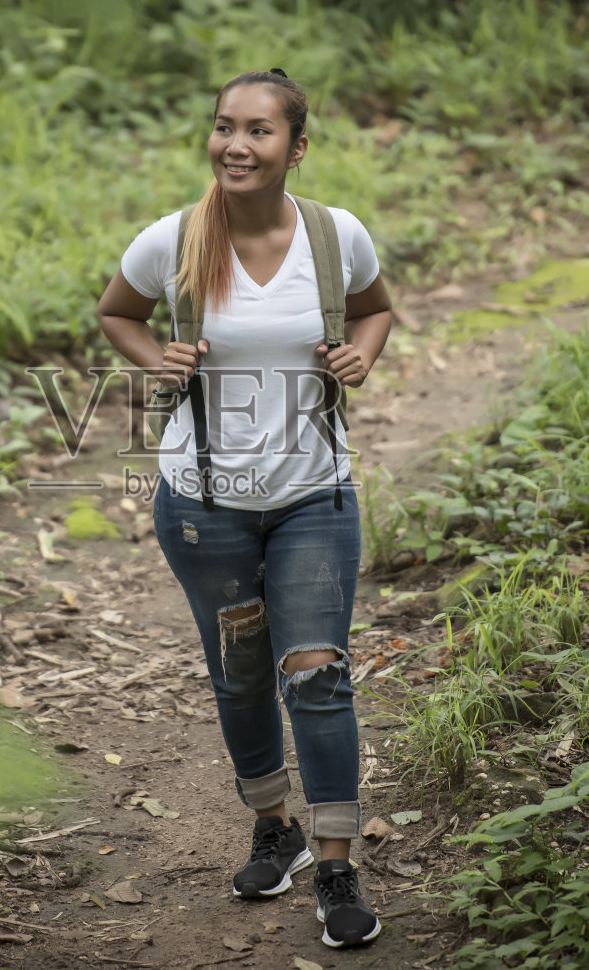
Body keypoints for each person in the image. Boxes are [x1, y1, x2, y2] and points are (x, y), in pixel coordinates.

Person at [96, 69, 393, 949]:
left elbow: (377, 311)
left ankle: (336, 866)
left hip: (314, 495)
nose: (236, 144)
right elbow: (118, 314)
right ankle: (276, 828)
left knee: (317, 673)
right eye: (225, 127)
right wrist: (155, 358)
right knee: (240, 673)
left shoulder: (337, 239)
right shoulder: (175, 240)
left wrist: (362, 356)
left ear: (296, 148)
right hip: (204, 506)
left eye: (259, 131)